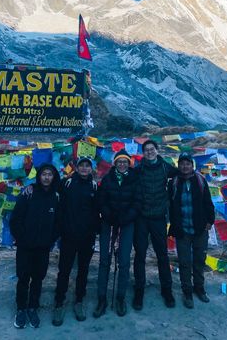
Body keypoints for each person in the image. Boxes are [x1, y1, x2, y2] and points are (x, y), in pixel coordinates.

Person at [9, 163, 60, 329]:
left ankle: (33, 308)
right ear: (39, 176)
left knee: (38, 279)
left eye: (50, 174)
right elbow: (15, 219)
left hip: (43, 247)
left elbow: (58, 223)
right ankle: (21, 309)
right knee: (23, 278)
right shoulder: (28, 193)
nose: (46, 177)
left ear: (53, 177)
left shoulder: (56, 196)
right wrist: (22, 239)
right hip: (25, 246)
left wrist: (49, 240)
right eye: (44, 174)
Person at [52, 156, 99, 326]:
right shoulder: (67, 183)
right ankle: (59, 302)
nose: (85, 168)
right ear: (77, 168)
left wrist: (95, 232)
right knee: (64, 270)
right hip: (68, 236)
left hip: (87, 237)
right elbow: (57, 203)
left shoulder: (94, 186)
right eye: (82, 166)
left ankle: (79, 300)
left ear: (91, 168)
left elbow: (96, 212)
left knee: (83, 270)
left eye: (88, 166)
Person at [94, 149, 141, 318]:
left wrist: (127, 216)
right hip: (109, 223)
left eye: (125, 161)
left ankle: (120, 297)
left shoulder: (135, 180)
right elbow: (101, 199)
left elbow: (138, 201)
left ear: (129, 163)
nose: (122, 164)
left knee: (123, 261)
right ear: (115, 163)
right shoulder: (108, 179)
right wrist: (108, 214)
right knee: (104, 260)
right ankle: (101, 298)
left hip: (127, 224)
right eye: (119, 161)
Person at [133, 139, 178, 310]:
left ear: (157, 151)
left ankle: (167, 290)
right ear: (143, 153)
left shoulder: (166, 167)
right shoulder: (138, 169)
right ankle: (139, 290)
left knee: (162, 255)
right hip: (142, 218)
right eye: (146, 150)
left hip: (159, 218)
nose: (150, 152)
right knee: (140, 255)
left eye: (152, 149)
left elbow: (180, 174)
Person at [168, 152, 215, 308]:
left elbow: (208, 202)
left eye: (188, 163)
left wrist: (210, 221)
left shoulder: (201, 180)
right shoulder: (174, 182)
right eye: (182, 163)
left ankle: (199, 288)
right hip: (182, 229)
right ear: (178, 165)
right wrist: (173, 226)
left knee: (199, 261)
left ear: (192, 165)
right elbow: (171, 205)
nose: (185, 166)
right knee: (184, 262)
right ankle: (187, 291)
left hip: (200, 228)